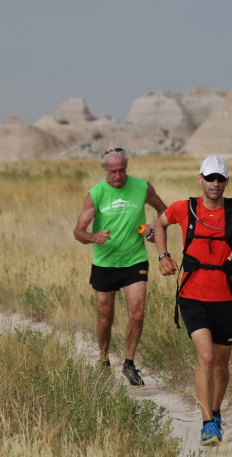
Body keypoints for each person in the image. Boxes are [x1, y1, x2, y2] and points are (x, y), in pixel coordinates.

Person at [153, 155, 232, 445]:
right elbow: (160, 222)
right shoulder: (184, 208)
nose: (214, 183)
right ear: (200, 179)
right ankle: (207, 425)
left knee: (221, 365)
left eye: (220, 178)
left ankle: (215, 412)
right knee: (205, 357)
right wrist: (163, 255)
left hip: (226, 298)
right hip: (192, 296)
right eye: (210, 177)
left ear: (226, 181)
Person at [74, 145, 168, 386]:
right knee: (105, 318)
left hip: (134, 260)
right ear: (105, 169)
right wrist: (93, 237)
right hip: (105, 263)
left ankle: (129, 363)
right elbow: (78, 231)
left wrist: (152, 229)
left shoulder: (141, 186)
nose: (118, 176)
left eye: (122, 170)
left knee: (137, 312)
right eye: (113, 171)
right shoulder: (96, 193)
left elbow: (163, 210)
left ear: (127, 168)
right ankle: (104, 360)